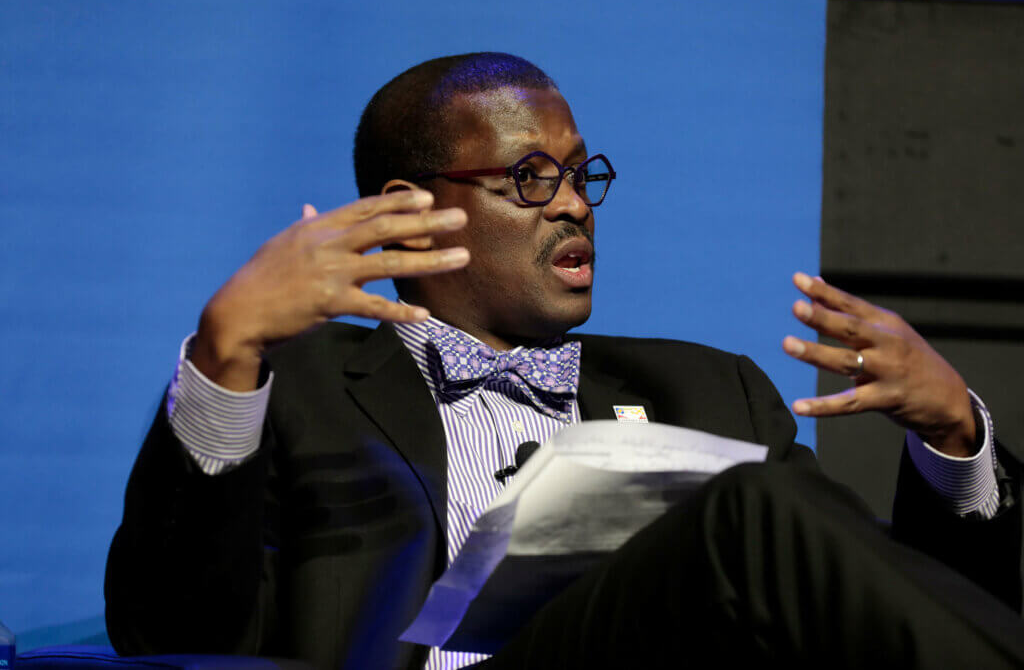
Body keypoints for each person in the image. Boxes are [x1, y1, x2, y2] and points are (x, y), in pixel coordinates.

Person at [105, 53, 1024, 670]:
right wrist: (225, 354)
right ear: (412, 212)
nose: (575, 204)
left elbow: (875, 618)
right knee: (745, 508)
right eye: (531, 178)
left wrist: (956, 437)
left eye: (581, 175)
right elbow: (173, 637)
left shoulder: (712, 389)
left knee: (769, 515)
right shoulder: (300, 390)